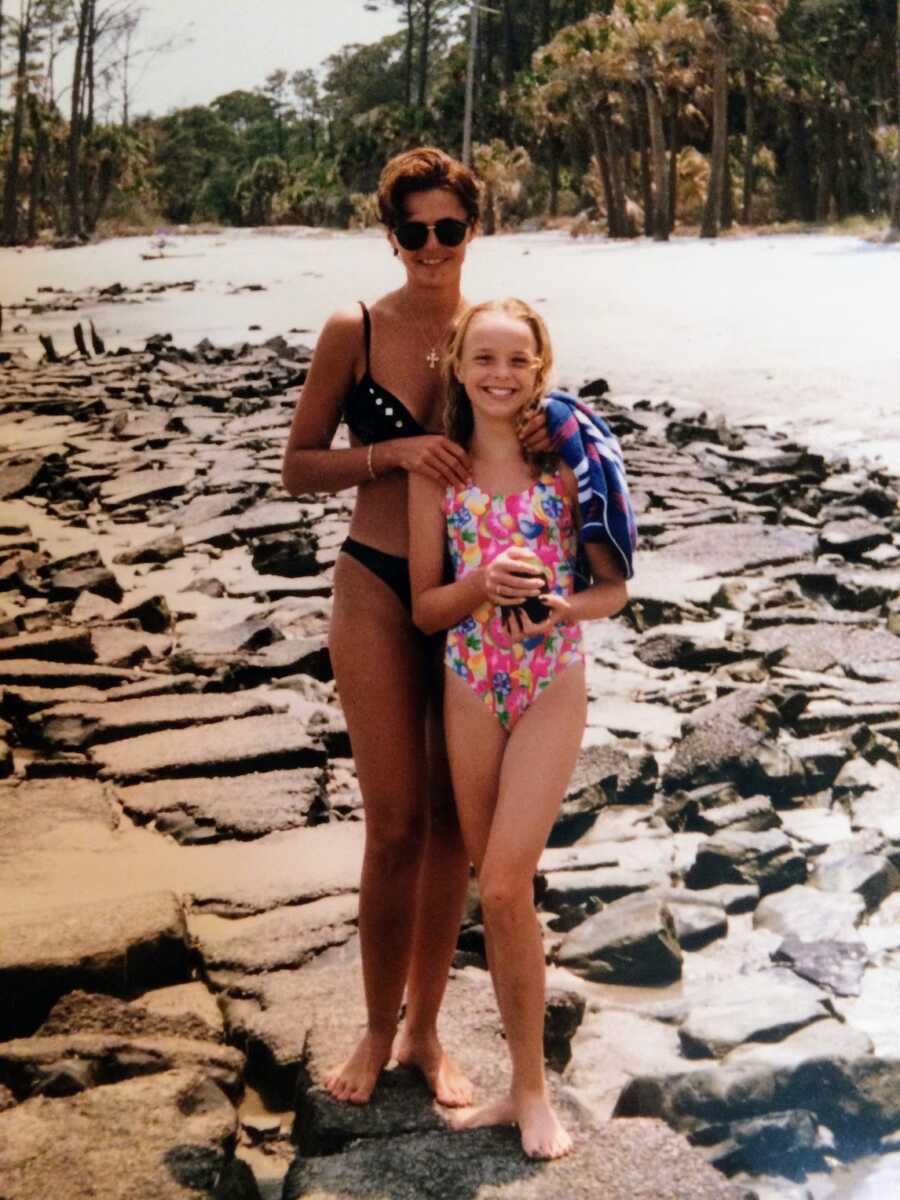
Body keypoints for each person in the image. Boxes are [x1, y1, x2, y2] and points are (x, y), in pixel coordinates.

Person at [281, 149, 549, 1107]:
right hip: (377, 583)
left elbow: (544, 445)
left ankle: (428, 1038)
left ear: (472, 231)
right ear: (388, 235)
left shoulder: (495, 332)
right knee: (392, 823)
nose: (431, 249)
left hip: (472, 595)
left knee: (448, 829)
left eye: (449, 229)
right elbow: (298, 466)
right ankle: (372, 1028)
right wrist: (389, 452)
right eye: (413, 231)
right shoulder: (353, 328)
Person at [408, 298, 629, 1159]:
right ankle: (516, 1085)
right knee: (495, 888)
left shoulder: (567, 467)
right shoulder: (441, 473)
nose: (500, 375)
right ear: (459, 365)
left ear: (541, 367)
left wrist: (557, 608)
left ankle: (532, 1093)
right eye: (484, 358)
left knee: (503, 883)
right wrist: (484, 586)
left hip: (549, 681)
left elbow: (614, 592)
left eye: (517, 360)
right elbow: (428, 609)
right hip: (468, 681)